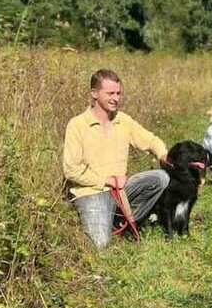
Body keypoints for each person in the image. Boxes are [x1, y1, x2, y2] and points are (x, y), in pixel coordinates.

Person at [63, 69, 170, 249]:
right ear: (94, 94)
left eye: (118, 93)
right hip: (91, 191)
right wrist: (106, 180)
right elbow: (71, 169)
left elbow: (150, 140)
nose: (116, 98)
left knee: (161, 178)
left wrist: (163, 154)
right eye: (110, 93)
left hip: (121, 189)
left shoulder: (124, 120)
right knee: (100, 244)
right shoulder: (77, 125)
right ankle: (108, 221)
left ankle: (123, 223)